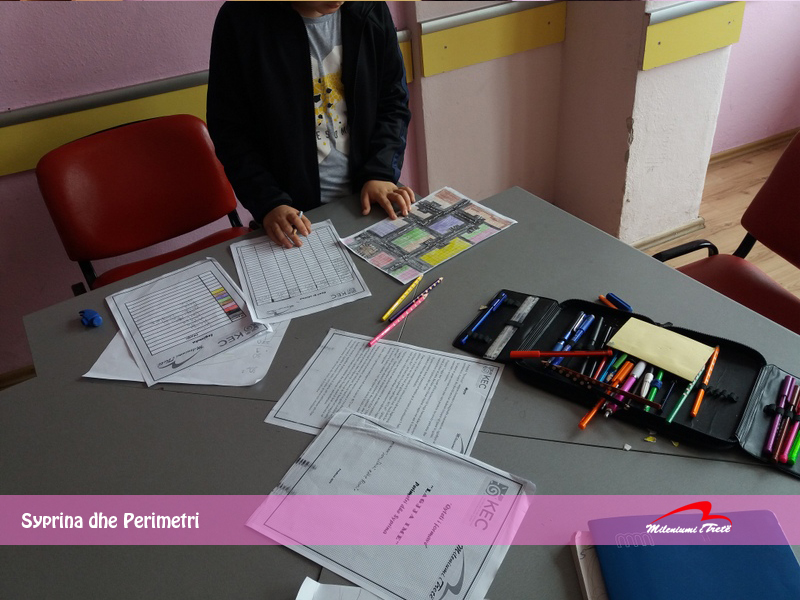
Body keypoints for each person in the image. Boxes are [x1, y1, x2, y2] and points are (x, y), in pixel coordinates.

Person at [207, 1, 414, 249]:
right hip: (291, 214)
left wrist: (380, 172)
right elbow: (230, 132)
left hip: (367, 198)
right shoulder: (241, 19)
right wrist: (270, 202)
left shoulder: (370, 8)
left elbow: (393, 102)